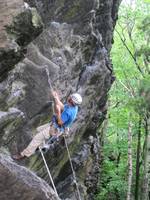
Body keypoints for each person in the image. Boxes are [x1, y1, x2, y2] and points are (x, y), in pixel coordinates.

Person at [13, 91, 82, 160]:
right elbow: (63, 107)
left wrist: (58, 112)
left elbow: (60, 122)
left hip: (55, 128)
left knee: (36, 138)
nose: (68, 98)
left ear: (72, 102)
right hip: (54, 124)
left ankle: (23, 155)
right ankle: (39, 146)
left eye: (70, 99)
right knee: (38, 130)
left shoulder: (69, 112)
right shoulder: (73, 107)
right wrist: (56, 98)